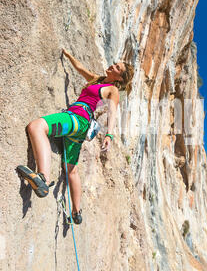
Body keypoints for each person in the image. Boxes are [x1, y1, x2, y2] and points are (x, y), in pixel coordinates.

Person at [17, 48, 134, 224]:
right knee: (71, 169)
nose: (112, 66)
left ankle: (43, 178)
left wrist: (109, 134)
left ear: (120, 78)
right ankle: (77, 212)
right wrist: (68, 54)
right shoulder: (97, 80)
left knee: (37, 127)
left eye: (117, 67)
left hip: (77, 119)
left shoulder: (112, 90)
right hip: (79, 129)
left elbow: (112, 111)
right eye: (115, 64)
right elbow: (80, 69)